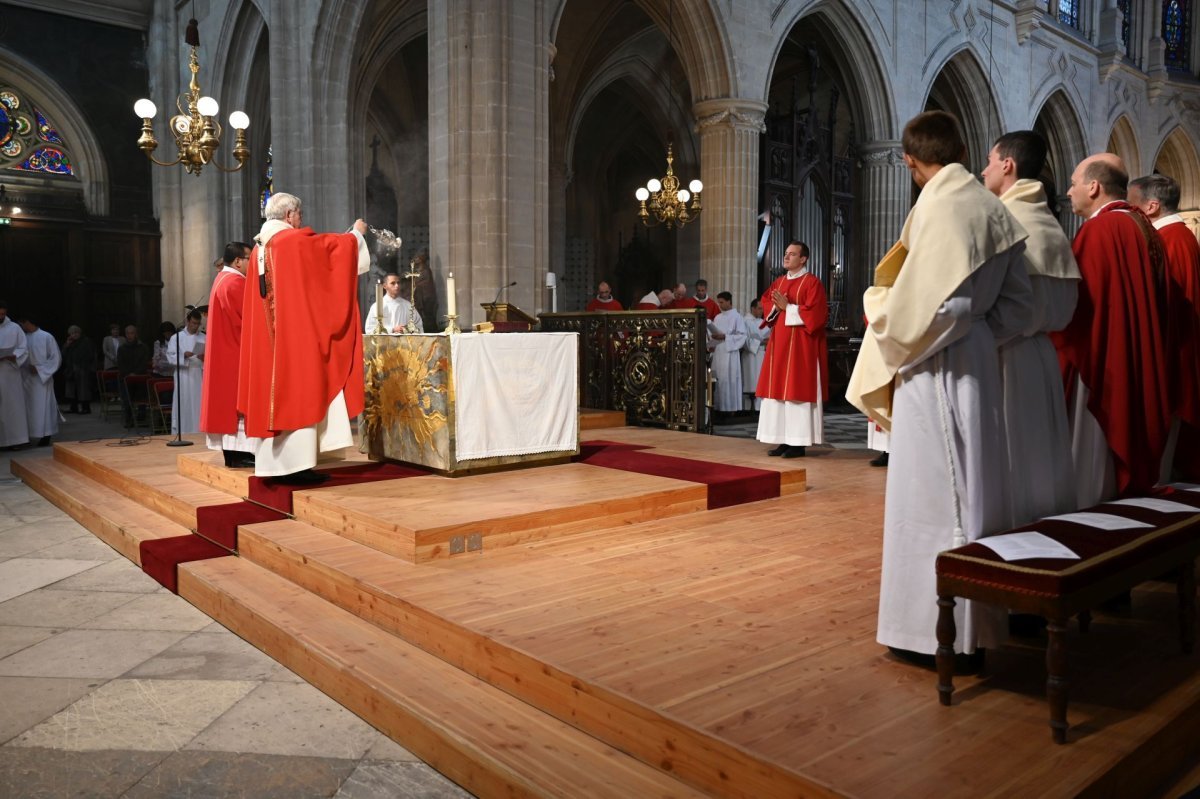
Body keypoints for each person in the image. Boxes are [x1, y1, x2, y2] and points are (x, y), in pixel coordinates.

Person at [847, 110, 1033, 660]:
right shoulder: (991, 207)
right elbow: (1018, 307)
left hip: (935, 370)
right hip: (974, 360)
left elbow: (927, 310)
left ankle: (932, 634)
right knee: (977, 487)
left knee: (933, 497)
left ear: (909, 162)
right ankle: (981, 624)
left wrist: (878, 308)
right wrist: (978, 331)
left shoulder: (938, 206)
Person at [1052, 154, 1169, 505]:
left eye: (1073, 182)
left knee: (1089, 476)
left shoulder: (1101, 230)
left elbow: (1080, 310)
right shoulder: (1142, 224)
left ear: (1094, 186)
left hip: (1102, 362)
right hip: (1132, 354)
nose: (1069, 190)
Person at [980, 130, 1081, 525]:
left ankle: (1008, 544)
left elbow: (1007, 311)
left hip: (1006, 356)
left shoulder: (1006, 222)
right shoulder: (1050, 224)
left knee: (1008, 459)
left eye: (990, 159)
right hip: (1041, 356)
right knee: (1041, 456)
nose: (984, 168)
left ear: (1008, 165)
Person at [239, 192, 370, 485]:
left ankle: (283, 465)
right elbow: (327, 253)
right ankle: (295, 467)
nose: (301, 220)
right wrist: (356, 236)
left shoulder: (261, 246)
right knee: (300, 390)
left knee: (277, 393)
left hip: (271, 345)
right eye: (299, 215)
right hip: (293, 342)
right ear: (289, 216)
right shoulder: (289, 242)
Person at [1128, 173, 1200, 480]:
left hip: (1174, 350)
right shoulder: (1181, 237)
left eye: (1133, 205)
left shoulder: (1169, 241)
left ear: (1152, 206)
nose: (1130, 213)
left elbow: (1166, 307)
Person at [755, 241, 829, 458]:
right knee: (777, 392)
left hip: (801, 348)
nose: (786, 257)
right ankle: (782, 439)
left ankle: (798, 443)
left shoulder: (812, 283)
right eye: (786, 253)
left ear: (803, 259)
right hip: (779, 346)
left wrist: (788, 308)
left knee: (797, 391)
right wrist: (776, 308)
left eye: (792, 254)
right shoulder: (778, 282)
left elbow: (817, 315)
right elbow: (766, 302)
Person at [201, 241, 260, 468]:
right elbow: (247, 320)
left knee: (228, 406)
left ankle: (235, 454)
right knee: (237, 406)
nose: (251, 263)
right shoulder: (234, 282)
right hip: (234, 352)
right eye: (249, 259)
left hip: (225, 352)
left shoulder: (222, 279)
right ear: (237, 261)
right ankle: (239, 455)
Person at [17, 315, 61, 447]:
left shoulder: (47, 336)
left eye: (22, 324)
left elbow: (56, 358)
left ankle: (46, 435)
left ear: (27, 322)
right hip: (26, 379)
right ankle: (27, 436)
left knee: (44, 408)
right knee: (28, 408)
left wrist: (39, 369)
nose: (21, 327)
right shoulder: (23, 338)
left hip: (42, 379)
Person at [167, 309, 205, 434]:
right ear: (187, 321)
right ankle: (182, 432)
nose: (195, 326)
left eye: (198, 324)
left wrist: (204, 358)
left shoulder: (204, 337)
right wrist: (184, 355)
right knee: (184, 403)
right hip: (183, 374)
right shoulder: (177, 337)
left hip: (199, 374)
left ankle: (199, 432)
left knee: (198, 404)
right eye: (193, 323)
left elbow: (212, 355)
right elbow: (170, 356)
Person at [708, 291, 747, 413]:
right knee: (718, 379)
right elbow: (712, 333)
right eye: (718, 302)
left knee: (729, 379)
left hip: (730, 353)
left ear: (729, 301)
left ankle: (730, 409)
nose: (719, 305)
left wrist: (725, 337)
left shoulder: (737, 317)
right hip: (718, 352)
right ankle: (717, 407)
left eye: (722, 302)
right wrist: (712, 339)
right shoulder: (718, 317)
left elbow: (742, 336)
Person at [0, 300, 30, 451]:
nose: (1, 316)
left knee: (13, 406)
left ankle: (17, 440)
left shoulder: (14, 328)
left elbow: (23, 348)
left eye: (3, 314)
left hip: (10, 372)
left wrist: (14, 356)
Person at [116, 325, 151, 428]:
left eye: (132, 333)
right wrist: (129, 374)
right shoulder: (122, 348)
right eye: (127, 333)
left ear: (136, 334)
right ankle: (129, 419)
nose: (129, 335)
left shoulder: (143, 347)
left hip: (140, 377)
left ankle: (142, 418)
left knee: (142, 397)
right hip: (126, 378)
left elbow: (144, 362)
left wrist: (136, 373)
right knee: (127, 399)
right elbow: (120, 363)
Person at [740, 298, 769, 411]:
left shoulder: (763, 322)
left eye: (762, 309)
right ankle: (748, 409)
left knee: (760, 381)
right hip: (750, 356)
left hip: (762, 355)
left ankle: (760, 408)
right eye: (759, 308)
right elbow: (744, 340)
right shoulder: (745, 321)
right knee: (751, 380)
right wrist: (761, 342)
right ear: (752, 308)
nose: (761, 311)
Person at [60, 325, 96, 415]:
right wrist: (67, 345)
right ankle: (73, 407)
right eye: (72, 333)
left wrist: (85, 366)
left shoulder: (86, 341)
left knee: (83, 390)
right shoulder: (70, 343)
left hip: (83, 369)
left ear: (79, 333)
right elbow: (63, 354)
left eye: (76, 333)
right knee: (72, 390)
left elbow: (90, 355)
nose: (74, 335)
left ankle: (86, 408)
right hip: (71, 369)